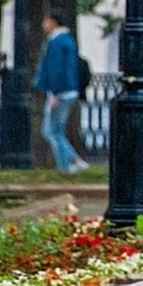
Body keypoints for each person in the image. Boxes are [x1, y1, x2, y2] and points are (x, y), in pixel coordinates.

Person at [35, 13, 89, 173]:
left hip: (61, 92)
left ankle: (69, 163)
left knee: (51, 130)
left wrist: (54, 93)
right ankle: (71, 161)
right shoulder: (68, 40)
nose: (44, 24)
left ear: (53, 22)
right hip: (70, 90)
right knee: (56, 129)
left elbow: (55, 69)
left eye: (46, 21)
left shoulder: (56, 42)